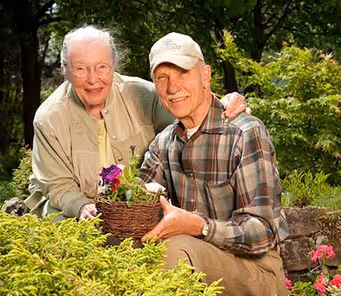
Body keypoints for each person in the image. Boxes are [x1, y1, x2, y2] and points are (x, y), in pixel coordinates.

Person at [25, 25, 247, 221]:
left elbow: (189, 107)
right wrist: (82, 206)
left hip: (135, 212)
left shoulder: (142, 95)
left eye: (101, 67)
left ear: (114, 66)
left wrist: (223, 103)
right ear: (65, 70)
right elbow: (57, 185)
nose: (93, 79)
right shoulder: (49, 118)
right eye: (81, 69)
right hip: (71, 209)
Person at [139, 32, 289, 296]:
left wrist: (199, 226)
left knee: (173, 250)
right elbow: (138, 202)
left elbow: (263, 231)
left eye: (183, 73)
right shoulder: (163, 143)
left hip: (257, 272)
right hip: (198, 260)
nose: (173, 87)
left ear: (205, 75)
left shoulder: (244, 133)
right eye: (162, 78)